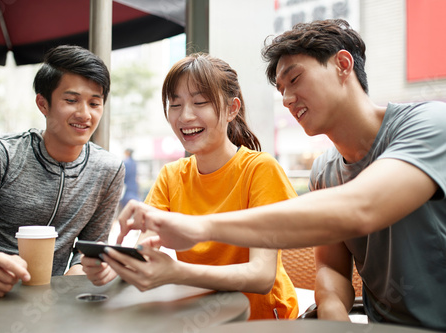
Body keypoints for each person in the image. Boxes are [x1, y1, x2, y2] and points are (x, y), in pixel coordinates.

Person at [115, 20, 446, 331]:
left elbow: (362, 208)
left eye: (295, 79)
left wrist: (196, 227)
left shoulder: (430, 123)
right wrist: (332, 312)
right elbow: (331, 268)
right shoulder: (325, 170)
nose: (287, 99)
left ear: (343, 65)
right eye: (281, 88)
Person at [82, 53, 299, 320]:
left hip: (260, 322)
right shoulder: (171, 175)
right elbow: (145, 250)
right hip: (202, 319)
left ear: (232, 109)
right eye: (175, 104)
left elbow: (261, 276)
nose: (185, 116)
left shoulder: (260, 169)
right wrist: (115, 267)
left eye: (200, 102)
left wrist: (176, 272)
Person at [0, 45, 125, 298]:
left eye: (95, 103)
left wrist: (82, 272)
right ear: (43, 103)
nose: (85, 114)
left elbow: (90, 248)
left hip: (47, 305)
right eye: (71, 100)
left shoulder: (108, 169)